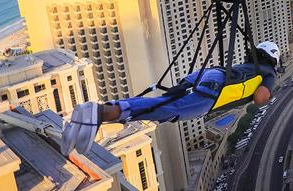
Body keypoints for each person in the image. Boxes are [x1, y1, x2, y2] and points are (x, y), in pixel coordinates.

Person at [61, 41, 280, 156]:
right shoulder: (268, 72)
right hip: (217, 89)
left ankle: (93, 116)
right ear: (273, 60)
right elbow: (261, 97)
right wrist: (266, 95)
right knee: (168, 110)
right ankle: (102, 112)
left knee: (164, 101)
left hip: (210, 73)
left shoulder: (250, 64)